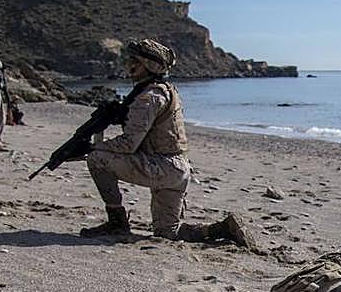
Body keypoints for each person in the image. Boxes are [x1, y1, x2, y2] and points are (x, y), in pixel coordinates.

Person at [79, 38, 257, 248]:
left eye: (133, 60)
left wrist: (93, 146)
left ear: (145, 65)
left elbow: (128, 144)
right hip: (177, 169)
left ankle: (117, 222)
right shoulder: (164, 90)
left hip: (162, 167)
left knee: (97, 159)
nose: (128, 64)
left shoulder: (149, 97)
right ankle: (221, 229)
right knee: (167, 233)